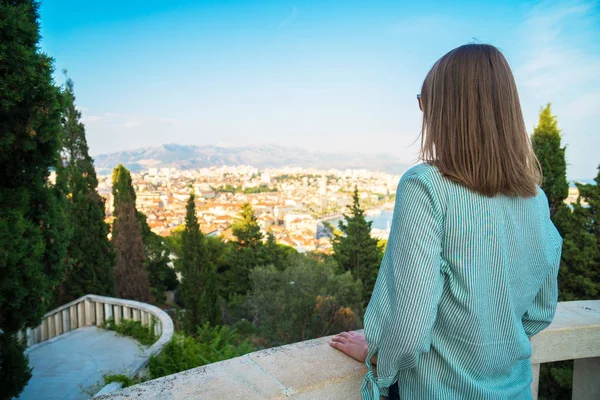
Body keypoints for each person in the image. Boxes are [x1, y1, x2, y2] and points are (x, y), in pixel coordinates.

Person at [328, 43, 562, 400]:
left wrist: (378, 356)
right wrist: (487, 351)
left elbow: (408, 331)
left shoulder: (425, 187)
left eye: (425, 102)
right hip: (516, 390)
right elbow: (540, 312)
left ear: (444, 110)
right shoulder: (535, 199)